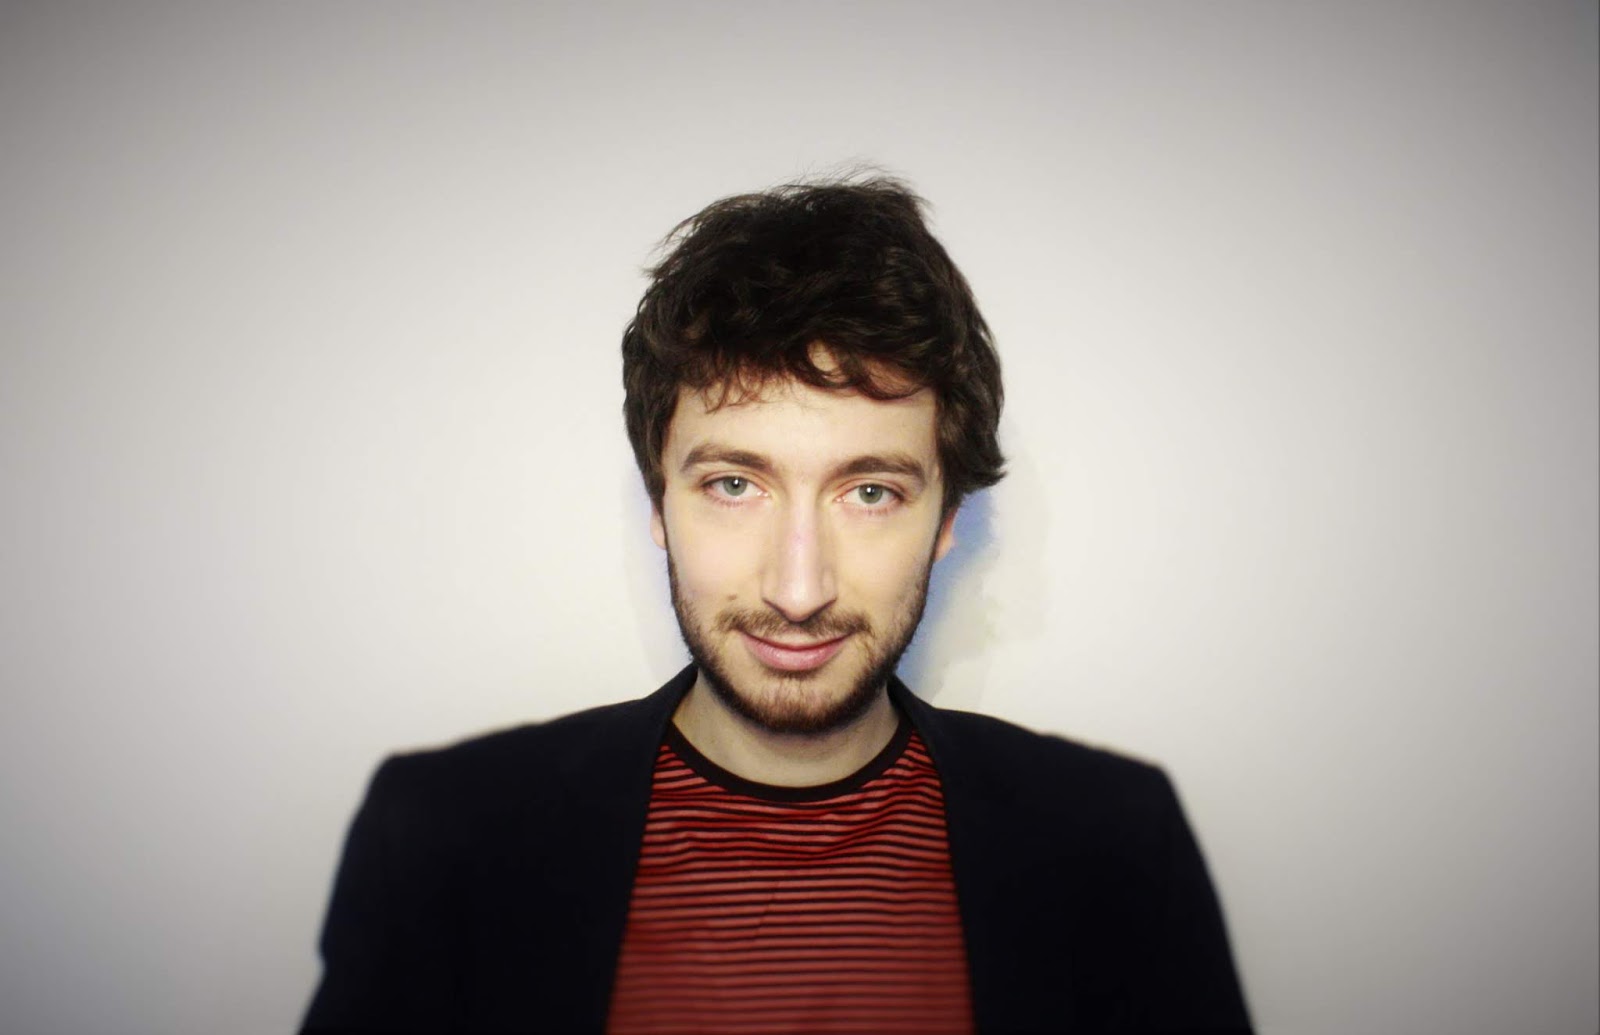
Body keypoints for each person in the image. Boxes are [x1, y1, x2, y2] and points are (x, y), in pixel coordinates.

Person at [301, 177, 1252, 1034]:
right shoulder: (442, 837)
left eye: (869, 491)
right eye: (734, 485)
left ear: (946, 521)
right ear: (658, 504)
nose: (799, 591)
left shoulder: (1116, 840)